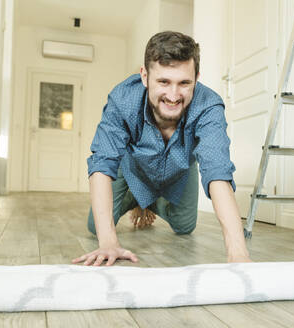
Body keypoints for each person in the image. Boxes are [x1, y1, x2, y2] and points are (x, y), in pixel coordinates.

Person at [72, 31, 251, 267]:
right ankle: (136, 197)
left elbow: (217, 170)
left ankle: (149, 201)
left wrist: (238, 253)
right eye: (164, 82)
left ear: (197, 78)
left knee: (185, 226)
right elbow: (102, 162)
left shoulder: (209, 105)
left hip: (180, 168)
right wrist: (108, 243)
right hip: (131, 168)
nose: (174, 96)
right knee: (96, 227)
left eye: (184, 83)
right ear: (145, 76)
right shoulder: (123, 98)